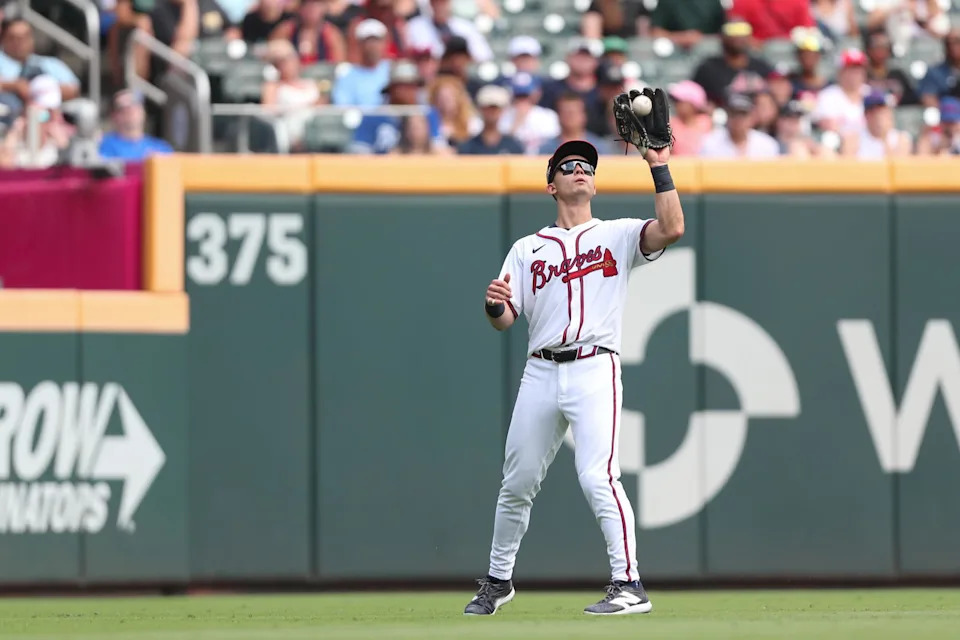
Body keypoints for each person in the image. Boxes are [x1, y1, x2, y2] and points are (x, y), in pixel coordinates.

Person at [466, 128, 685, 617]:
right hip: (540, 371)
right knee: (517, 481)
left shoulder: (617, 234)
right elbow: (504, 320)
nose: (580, 171)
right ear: (551, 186)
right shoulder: (527, 249)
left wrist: (658, 165)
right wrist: (491, 305)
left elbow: (671, 228)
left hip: (594, 367)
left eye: (587, 166)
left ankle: (628, 583)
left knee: (597, 475)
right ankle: (498, 581)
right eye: (568, 166)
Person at [98, 89, 174, 161]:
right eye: (123, 108)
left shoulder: (161, 148)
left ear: (143, 111)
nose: (130, 110)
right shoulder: (103, 146)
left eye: (135, 104)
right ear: (114, 115)